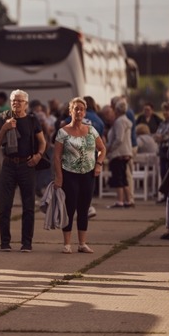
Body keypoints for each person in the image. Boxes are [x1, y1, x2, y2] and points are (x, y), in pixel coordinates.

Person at [0, 90, 47, 252]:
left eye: (19, 101)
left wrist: (38, 156)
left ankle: (26, 242)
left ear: (26, 104)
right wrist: (4, 128)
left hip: (27, 165)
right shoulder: (4, 117)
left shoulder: (32, 120)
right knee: (4, 205)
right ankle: (5, 242)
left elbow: (42, 142)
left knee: (28, 205)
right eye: (13, 101)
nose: (16, 103)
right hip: (9, 165)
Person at [53, 97, 106, 254]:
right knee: (70, 208)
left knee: (84, 209)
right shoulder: (63, 132)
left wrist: (99, 164)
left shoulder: (91, 130)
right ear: (70, 111)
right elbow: (56, 157)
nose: (79, 112)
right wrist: (59, 176)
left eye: (82, 109)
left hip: (88, 174)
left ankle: (82, 243)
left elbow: (102, 148)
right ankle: (67, 243)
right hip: (69, 174)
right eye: (76, 109)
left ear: (85, 112)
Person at [106, 99, 134, 208]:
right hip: (126, 152)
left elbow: (119, 139)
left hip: (118, 154)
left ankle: (120, 201)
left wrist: (110, 148)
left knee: (118, 178)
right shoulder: (126, 120)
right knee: (124, 178)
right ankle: (128, 200)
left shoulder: (119, 122)